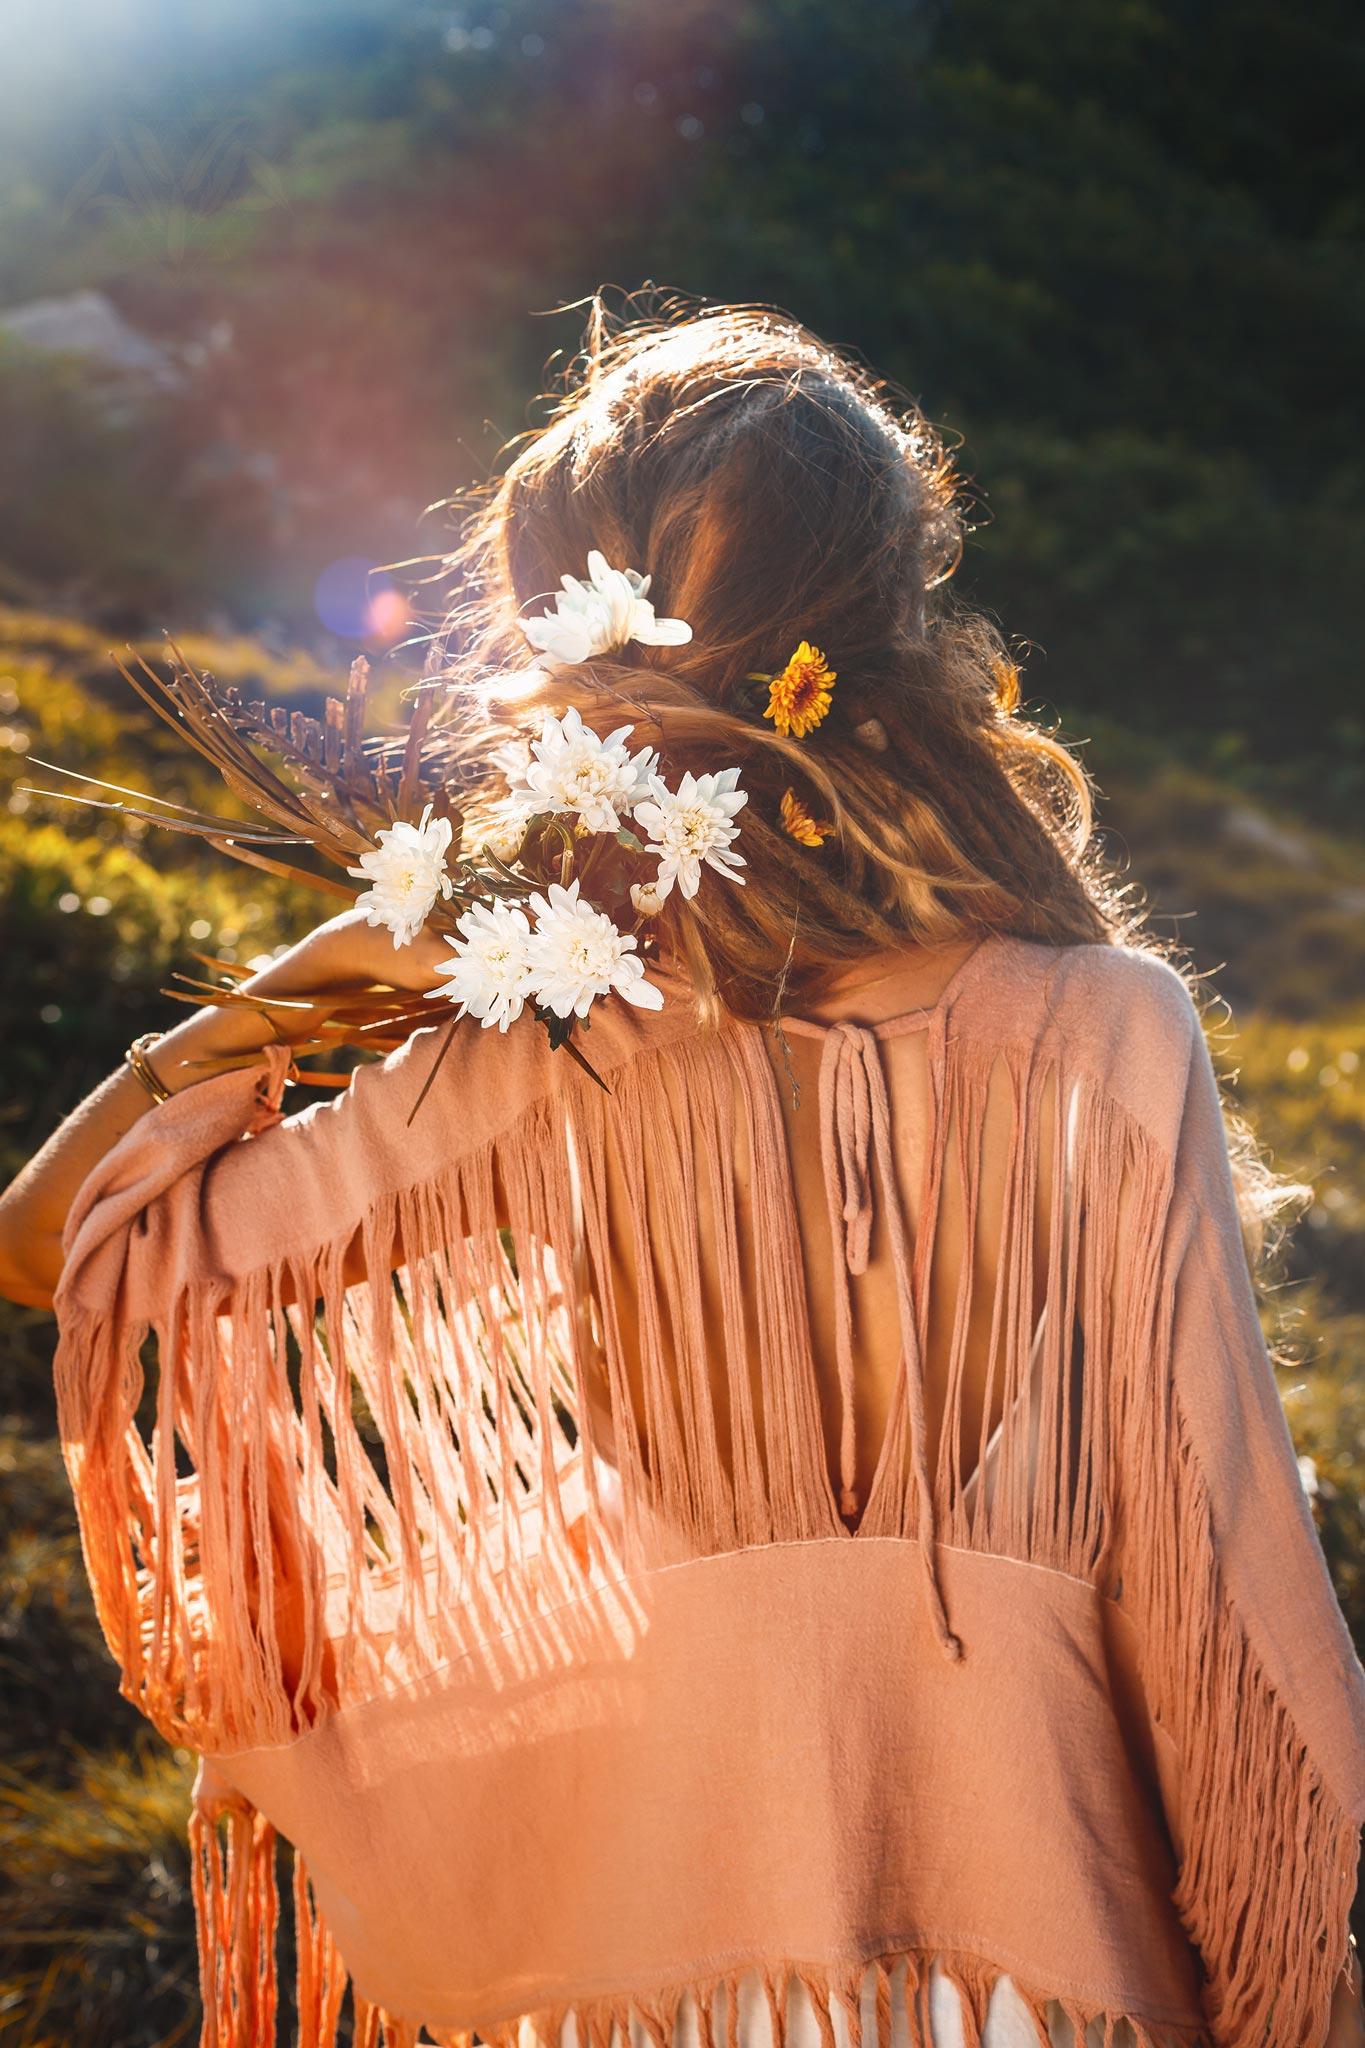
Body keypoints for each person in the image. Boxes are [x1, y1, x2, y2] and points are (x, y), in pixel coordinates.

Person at [3, 300, 1364, 2048]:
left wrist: (309, 985)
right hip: (1033, 1942)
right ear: (894, 632)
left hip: (652, 1951)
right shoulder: (1098, 1038)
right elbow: (1217, 1572)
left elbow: (61, 1245)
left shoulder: (535, 1061)